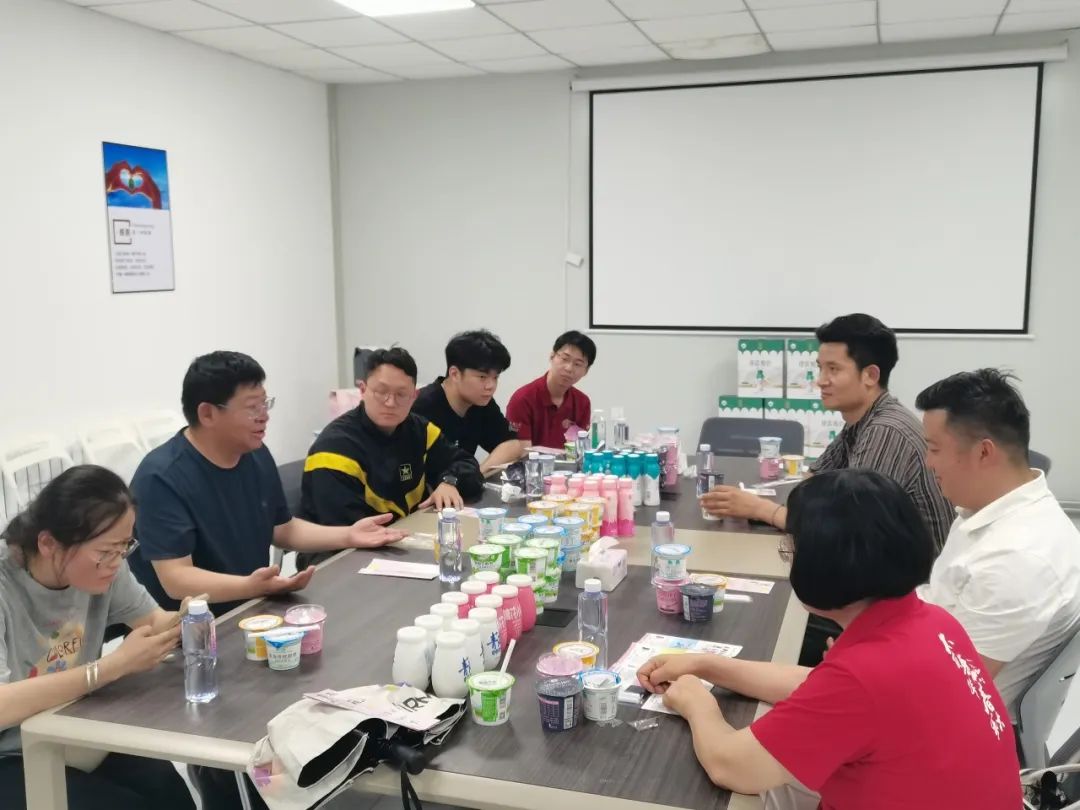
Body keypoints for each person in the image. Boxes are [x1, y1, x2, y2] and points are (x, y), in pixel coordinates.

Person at [638, 470, 1021, 810]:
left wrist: (695, 701)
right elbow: (818, 688)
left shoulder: (865, 676)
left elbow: (731, 766)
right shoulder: (932, 621)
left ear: (823, 567)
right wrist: (706, 664)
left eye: (791, 549)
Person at [128, 350, 406, 616]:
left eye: (265, 403)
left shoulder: (254, 454)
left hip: (254, 609)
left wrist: (348, 536)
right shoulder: (160, 478)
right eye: (252, 407)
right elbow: (176, 579)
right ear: (207, 414)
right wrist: (251, 587)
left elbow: (283, 529)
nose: (264, 415)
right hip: (186, 631)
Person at [0, 465, 196, 810]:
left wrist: (187, 620)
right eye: (106, 551)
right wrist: (110, 668)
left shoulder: (109, 565)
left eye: (125, 547)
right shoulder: (6, 585)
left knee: (169, 793)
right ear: (48, 543)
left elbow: (152, 620)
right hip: (11, 751)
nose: (116, 562)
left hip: (76, 728)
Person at [701, 313, 953, 551]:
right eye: (820, 368)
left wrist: (760, 509)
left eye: (833, 369)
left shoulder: (886, 431)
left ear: (870, 375)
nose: (820, 380)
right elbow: (813, 481)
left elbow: (849, 531)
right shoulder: (860, 420)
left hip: (912, 575)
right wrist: (753, 501)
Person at [916, 369, 1080, 719]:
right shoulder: (988, 507)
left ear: (983, 452)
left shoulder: (1018, 559)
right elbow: (938, 600)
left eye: (934, 449)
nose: (928, 462)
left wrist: (865, 663)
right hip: (924, 657)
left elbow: (946, 689)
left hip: (955, 724)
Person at [300, 346, 484, 535]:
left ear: (414, 397)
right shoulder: (335, 449)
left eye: (401, 394)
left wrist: (449, 482)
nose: (390, 402)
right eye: (381, 392)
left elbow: (466, 462)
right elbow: (342, 530)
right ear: (363, 390)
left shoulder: (420, 430)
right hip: (351, 547)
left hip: (409, 534)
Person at [412, 330, 524, 475]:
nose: (491, 386)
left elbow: (512, 443)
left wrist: (476, 476)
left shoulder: (481, 403)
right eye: (482, 377)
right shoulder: (421, 408)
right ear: (455, 374)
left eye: (495, 377)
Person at [506, 330, 596, 450]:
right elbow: (521, 452)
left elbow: (579, 450)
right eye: (565, 359)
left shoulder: (582, 402)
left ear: (586, 371)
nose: (569, 368)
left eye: (578, 364)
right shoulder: (522, 399)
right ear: (552, 356)